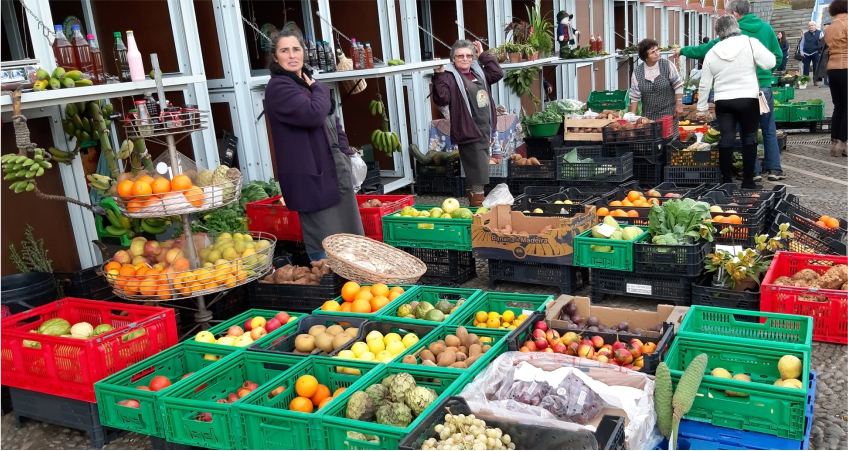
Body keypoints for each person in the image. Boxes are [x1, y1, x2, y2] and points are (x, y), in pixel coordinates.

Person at [264, 30, 364, 261]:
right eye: (284, 51)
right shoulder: (279, 87)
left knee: (350, 233)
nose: (292, 55)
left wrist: (346, 153)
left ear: (303, 53)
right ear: (275, 57)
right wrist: (320, 89)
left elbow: (331, 120)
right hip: (310, 176)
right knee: (324, 237)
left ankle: (354, 278)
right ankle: (329, 279)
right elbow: (313, 114)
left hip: (334, 167)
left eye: (296, 49)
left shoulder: (305, 82)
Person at [673, 0, 784, 182]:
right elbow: (776, 58)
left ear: (735, 14)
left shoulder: (727, 34)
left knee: (738, 135)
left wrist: (683, 50)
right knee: (767, 130)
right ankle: (773, 170)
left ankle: (749, 174)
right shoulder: (765, 29)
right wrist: (763, 72)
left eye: (725, 12)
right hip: (761, 88)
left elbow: (705, 53)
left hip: (733, 94)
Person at [696, 15, 775, 188]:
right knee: (749, 138)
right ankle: (748, 181)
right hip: (748, 98)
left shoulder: (712, 52)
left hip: (723, 101)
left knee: (726, 139)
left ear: (718, 32)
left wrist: (701, 107)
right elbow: (770, 63)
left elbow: (705, 83)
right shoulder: (750, 43)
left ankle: (726, 182)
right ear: (736, 27)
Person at [433, 40, 504, 206]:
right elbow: (442, 99)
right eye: (460, 56)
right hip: (467, 128)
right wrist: (438, 76)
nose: (465, 59)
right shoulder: (449, 76)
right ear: (453, 58)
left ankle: (472, 205)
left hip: (484, 127)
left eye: (468, 55)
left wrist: (483, 55)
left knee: (475, 167)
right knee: (479, 169)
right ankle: (478, 205)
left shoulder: (478, 71)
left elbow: (497, 73)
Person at [629, 39, 684, 139]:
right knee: (652, 141)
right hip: (649, 117)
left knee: (670, 140)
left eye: (657, 50)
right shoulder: (637, 72)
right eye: (652, 52)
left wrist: (679, 104)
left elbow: (678, 85)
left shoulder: (667, 65)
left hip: (669, 114)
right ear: (645, 56)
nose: (657, 53)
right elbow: (634, 96)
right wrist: (632, 115)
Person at [825, 0, 847, 157]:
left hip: (832, 67)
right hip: (846, 66)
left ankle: (834, 142)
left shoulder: (831, 26)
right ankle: (842, 142)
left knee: (838, 106)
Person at [800, 21, 825, 85]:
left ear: (815, 26)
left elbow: (823, 42)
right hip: (806, 53)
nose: (810, 27)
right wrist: (801, 52)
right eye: (809, 26)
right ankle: (805, 81)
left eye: (812, 25)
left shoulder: (820, 33)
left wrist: (820, 40)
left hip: (815, 52)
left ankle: (815, 80)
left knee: (815, 67)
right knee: (806, 68)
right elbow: (802, 43)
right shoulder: (805, 34)